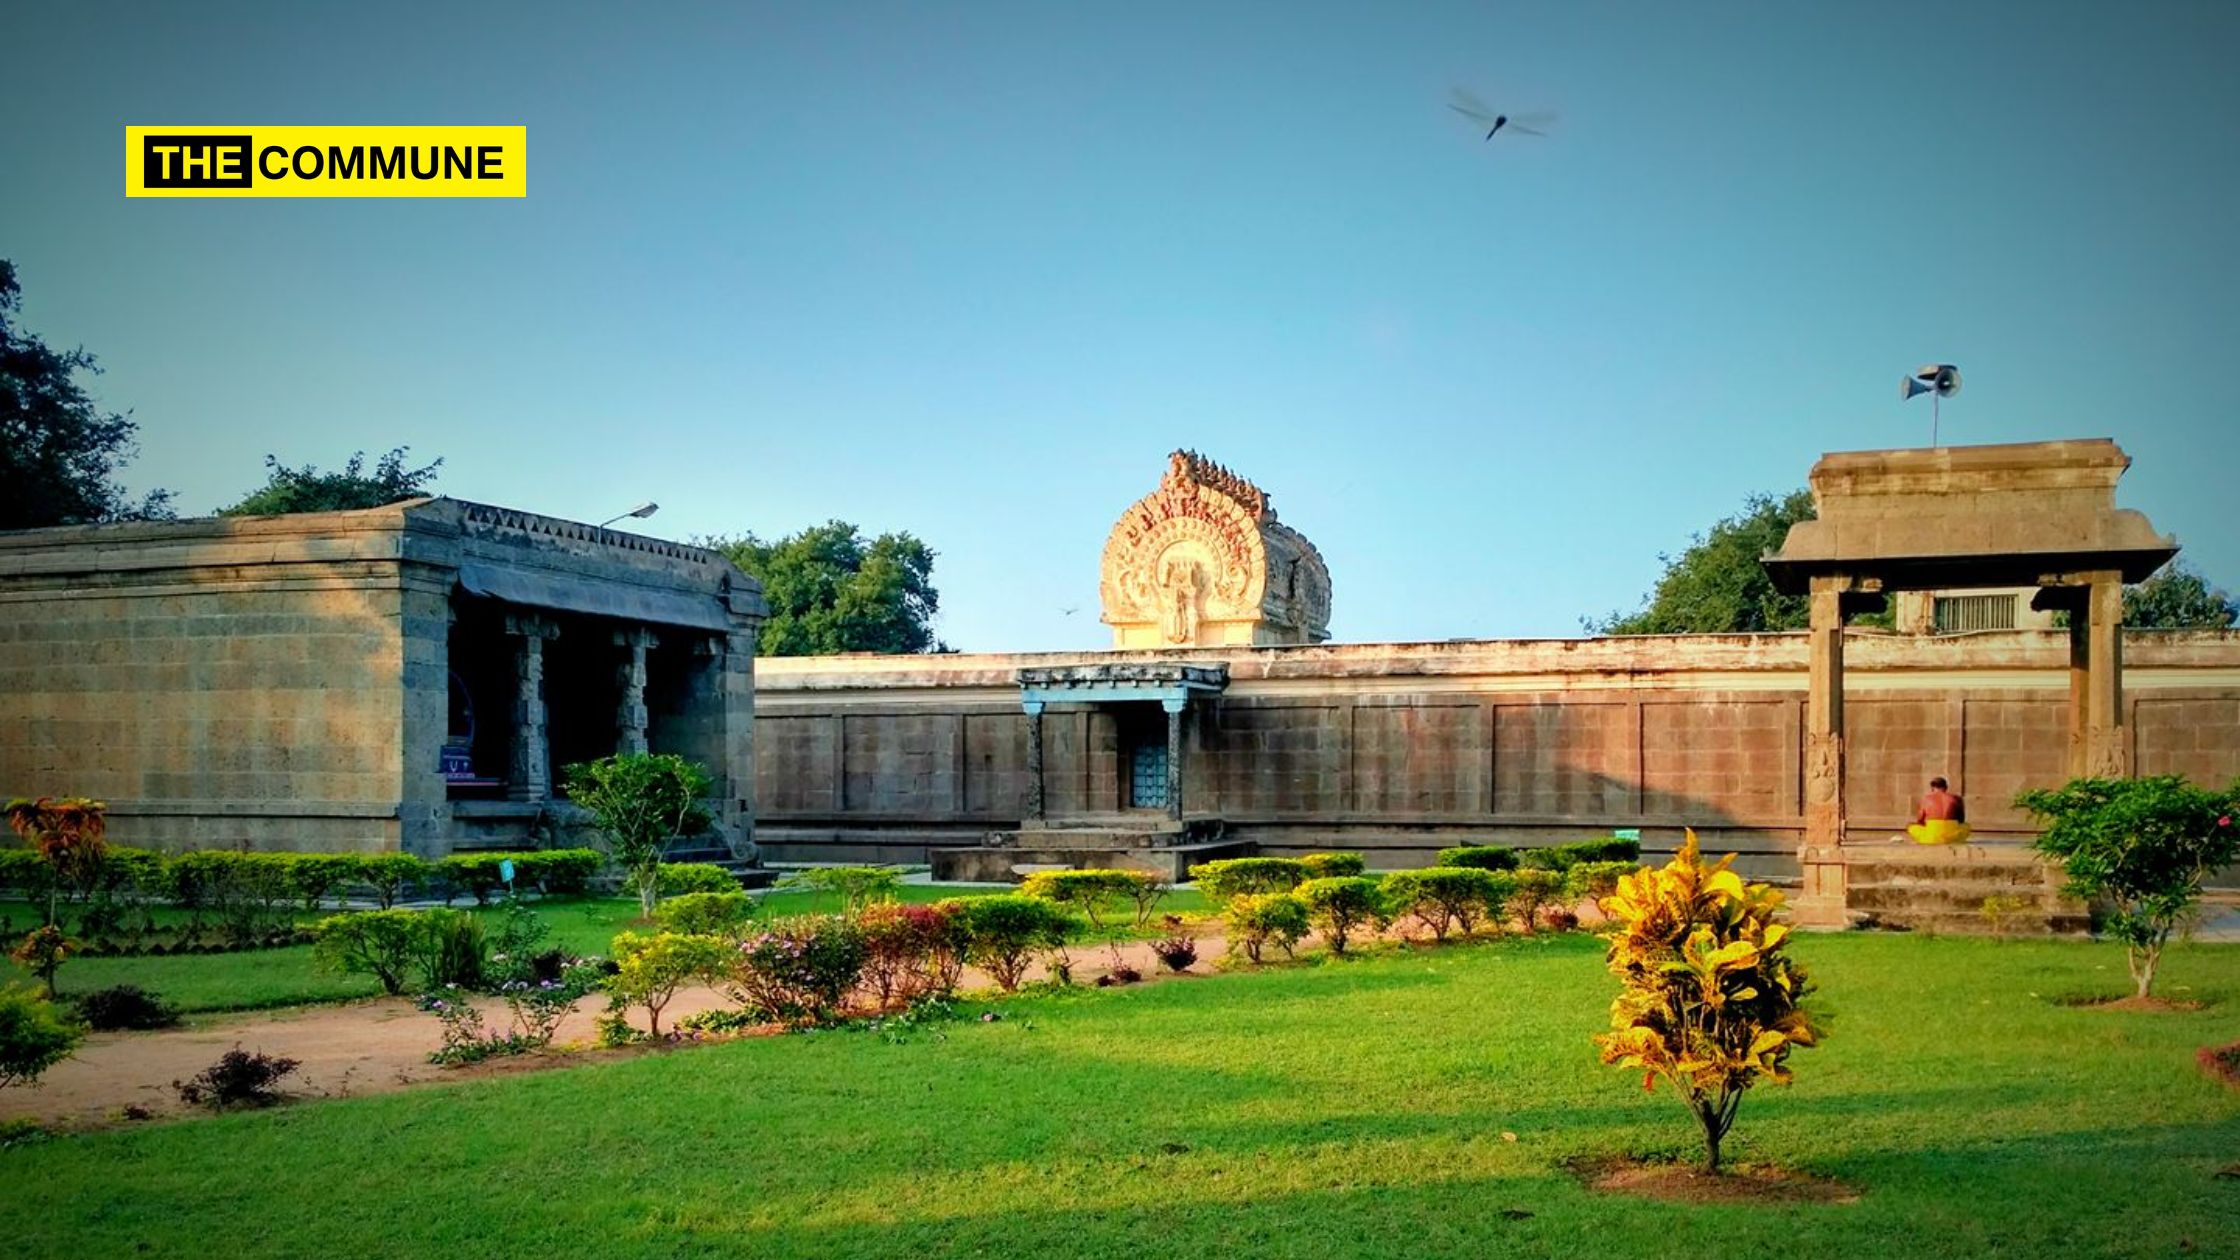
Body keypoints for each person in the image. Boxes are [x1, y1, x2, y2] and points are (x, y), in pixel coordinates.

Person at [1906, 776, 1971, 845]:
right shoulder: (1956, 798)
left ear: (1932, 788)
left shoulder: (1926, 799)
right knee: (1966, 826)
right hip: (1953, 836)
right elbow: (1961, 820)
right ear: (1946, 787)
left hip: (1932, 837)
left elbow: (1920, 820)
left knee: (1910, 826)